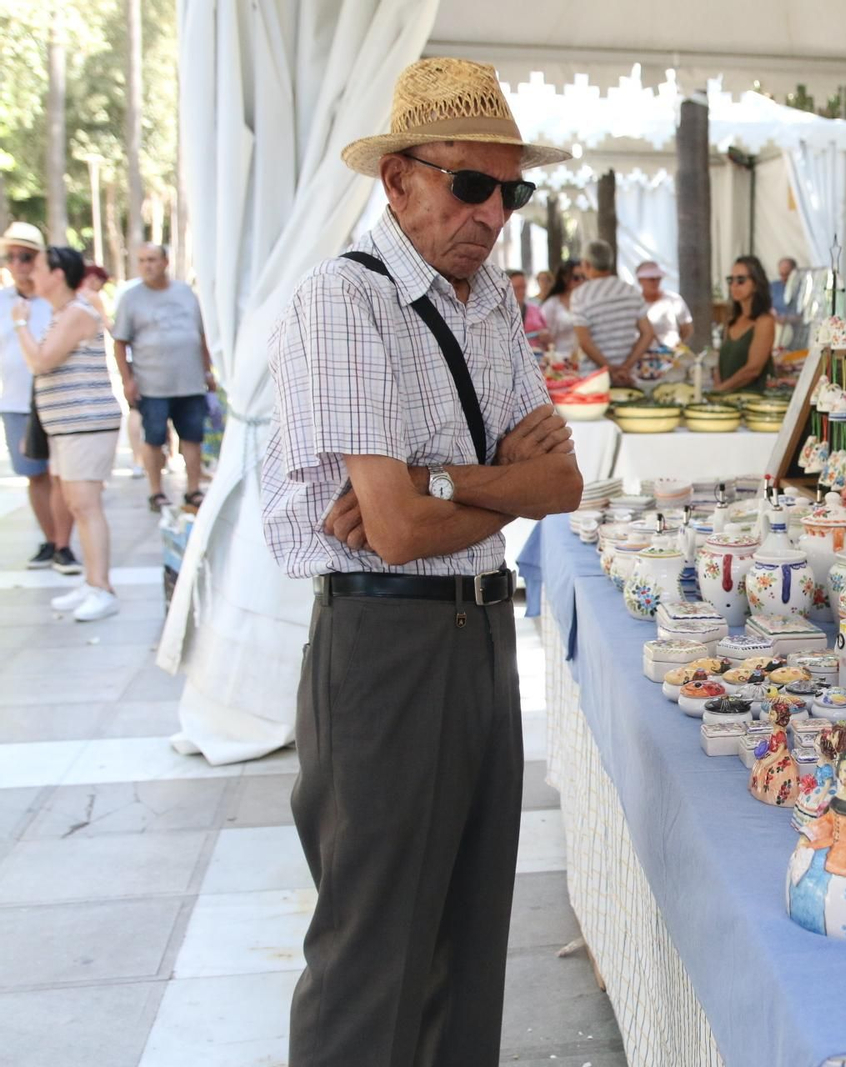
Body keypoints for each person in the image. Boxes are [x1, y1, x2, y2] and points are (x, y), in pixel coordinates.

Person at [259, 57, 581, 1066]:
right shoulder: (343, 301)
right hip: (385, 635)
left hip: (481, 627)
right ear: (398, 179)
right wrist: (488, 480)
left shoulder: (489, 304)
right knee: (373, 950)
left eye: (511, 191)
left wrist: (444, 477)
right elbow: (390, 531)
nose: (492, 213)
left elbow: (562, 483)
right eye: (470, 184)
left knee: (469, 934)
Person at [12, 247, 122, 621]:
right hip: (67, 426)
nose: (30, 274)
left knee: (86, 505)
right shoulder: (64, 313)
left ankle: (102, 587)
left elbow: (41, 361)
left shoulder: (77, 312)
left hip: (85, 425)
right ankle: (92, 582)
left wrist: (19, 325)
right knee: (76, 504)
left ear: (58, 274)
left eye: (38, 267)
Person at [112, 243, 216, 512]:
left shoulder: (185, 293)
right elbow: (120, 342)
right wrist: (127, 380)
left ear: (165, 262)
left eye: (152, 259)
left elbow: (201, 336)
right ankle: (155, 491)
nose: (147, 265)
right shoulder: (130, 298)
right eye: (142, 260)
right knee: (154, 437)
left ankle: (193, 490)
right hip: (152, 384)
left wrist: (207, 370)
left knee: (193, 436)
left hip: (190, 381)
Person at [1, 221, 78, 574]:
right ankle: (50, 540)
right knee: (35, 475)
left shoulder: (56, 301)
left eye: (26, 256)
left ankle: (64, 544)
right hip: (16, 401)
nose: (18, 264)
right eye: (10, 256)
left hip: (57, 401)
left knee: (61, 475)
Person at [572, 239, 651, 383]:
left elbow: (584, 341)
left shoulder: (580, 295)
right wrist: (626, 367)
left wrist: (609, 368)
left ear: (586, 264)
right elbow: (648, 333)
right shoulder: (631, 291)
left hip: (594, 379)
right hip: (627, 376)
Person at [713, 254, 776, 393]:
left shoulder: (764, 321)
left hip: (752, 403)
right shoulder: (731, 321)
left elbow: (753, 369)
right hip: (727, 401)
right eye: (731, 280)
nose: (734, 285)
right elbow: (720, 364)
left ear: (756, 284)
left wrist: (720, 390)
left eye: (741, 280)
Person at [636, 259, 693, 349]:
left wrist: (678, 346)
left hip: (671, 353)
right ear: (640, 280)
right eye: (651, 279)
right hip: (643, 355)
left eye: (658, 278)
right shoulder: (634, 303)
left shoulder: (673, 299)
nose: (655, 282)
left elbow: (686, 328)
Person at [539, 258, 583, 368]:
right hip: (560, 361)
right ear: (564, 278)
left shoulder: (588, 300)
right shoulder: (552, 304)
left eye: (584, 277)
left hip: (585, 361)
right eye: (576, 278)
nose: (581, 281)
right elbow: (544, 335)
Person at [507, 268, 546, 344]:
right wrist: (536, 334)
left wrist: (545, 335)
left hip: (537, 353)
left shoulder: (535, 309)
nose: (522, 292)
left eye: (524, 287)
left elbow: (547, 334)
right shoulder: (500, 313)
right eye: (516, 288)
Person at [771, 255, 797, 320]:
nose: (784, 278)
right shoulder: (773, 287)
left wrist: (787, 319)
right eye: (782, 274)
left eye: (787, 274)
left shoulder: (803, 288)